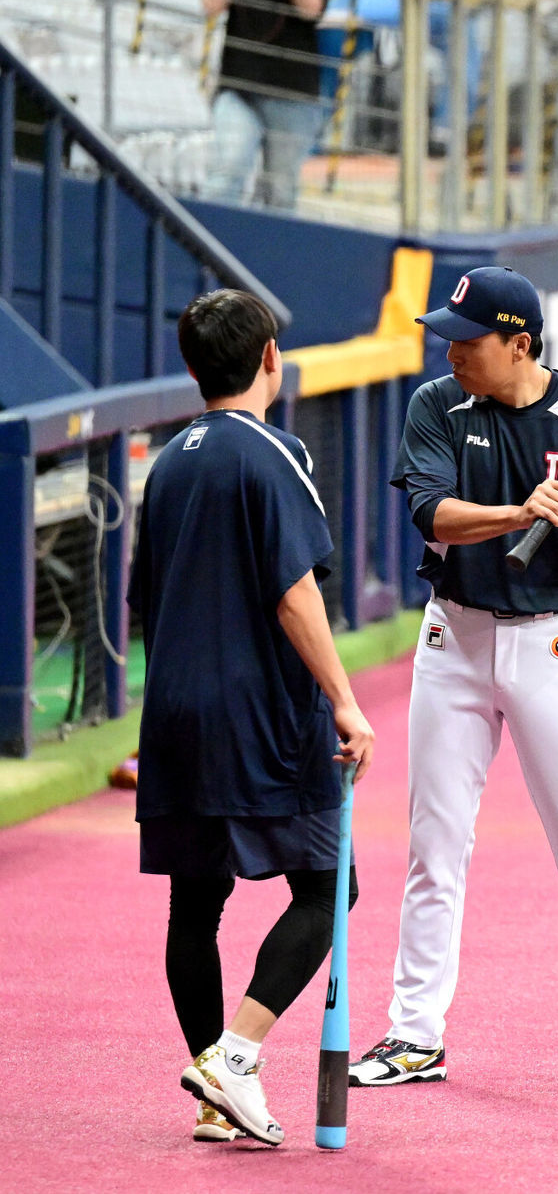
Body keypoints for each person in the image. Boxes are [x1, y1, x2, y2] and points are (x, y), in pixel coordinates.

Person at [349, 265, 558, 1091]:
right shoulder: (435, 406)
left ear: (519, 343)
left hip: (554, 647)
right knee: (433, 845)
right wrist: (521, 512)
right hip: (453, 638)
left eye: (468, 340)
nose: (449, 352)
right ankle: (415, 1034)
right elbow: (431, 512)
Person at [127, 288, 375, 1146]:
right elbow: (294, 592)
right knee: (327, 886)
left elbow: (143, 602)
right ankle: (235, 1056)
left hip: (174, 716)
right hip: (262, 717)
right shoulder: (276, 454)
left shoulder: (166, 463)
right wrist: (344, 699)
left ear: (195, 369)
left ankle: (213, 1093)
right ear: (269, 357)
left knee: (195, 904)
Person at [202, 0, 329, 210]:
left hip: (292, 95)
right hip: (239, 88)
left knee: (281, 190)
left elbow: (311, 8)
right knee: (227, 170)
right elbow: (210, 4)